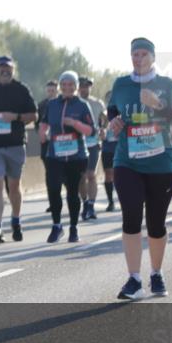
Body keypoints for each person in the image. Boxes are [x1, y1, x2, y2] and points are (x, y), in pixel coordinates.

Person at [106, 37, 172, 300]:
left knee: (156, 223)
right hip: (127, 161)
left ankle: (156, 272)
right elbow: (113, 116)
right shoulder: (121, 84)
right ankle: (134, 279)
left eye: (143, 54)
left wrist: (158, 105)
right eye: (134, 54)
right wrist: (115, 125)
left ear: (153, 57)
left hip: (161, 163)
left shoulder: (166, 84)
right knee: (130, 215)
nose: (138, 58)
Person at [0, 56, 38, 243]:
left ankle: (16, 219)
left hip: (15, 144)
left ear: (13, 69)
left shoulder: (22, 89)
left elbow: (33, 115)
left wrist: (16, 117)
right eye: (1, 68)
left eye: (8, 68)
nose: (4, 71)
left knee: (13, 185)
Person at [39, 71, 94, 243]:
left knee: (72, 192)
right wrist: (43, 132)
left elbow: (91, 130)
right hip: (55, 155)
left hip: (76, 156)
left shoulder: (82, 105)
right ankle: (57, 225)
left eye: (71, 85)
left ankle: (73, 227)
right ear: (60, 87)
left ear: (76, 86)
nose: (67, 88)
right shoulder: (52, 104)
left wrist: (75, 124)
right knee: (53, 189)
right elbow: (44, 123)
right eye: (64, 85)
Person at [77, 76, 106, 221]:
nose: (84, 88)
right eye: (82, 86)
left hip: (94, 143)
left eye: (87, 86)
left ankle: (91, 205)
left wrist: (103, 129)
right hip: (78, 144)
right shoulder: (73, 103)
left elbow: (104, 119)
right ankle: (85, 202)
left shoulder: (97, 103)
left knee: (91, 174)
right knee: (81, 177)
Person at [38, 80, 58, 213]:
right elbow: (37, 123)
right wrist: (42, 134)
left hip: (62, 143)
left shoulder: (62, 103)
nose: (51, 93)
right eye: (49, 91)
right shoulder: (42, 105)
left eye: (53, 91)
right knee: (50, 175)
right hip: (46, 144)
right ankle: (53, 203)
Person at [100, 89, 119, 212]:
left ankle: (126, 198)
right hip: (107, 148)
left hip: (120, 148)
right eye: (108, 99)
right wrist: (101, 132)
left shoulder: (123, 112)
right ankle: (111, 201)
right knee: (108, 174)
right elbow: (99, 131)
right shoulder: (103, 115)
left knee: (120, 174)